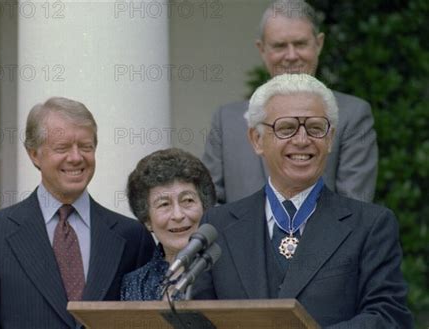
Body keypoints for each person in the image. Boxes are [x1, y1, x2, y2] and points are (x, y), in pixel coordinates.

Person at [192, 74, 413, 328]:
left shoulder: (371, 225)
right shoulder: (218, 226)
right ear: (256, 139)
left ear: (330, 139)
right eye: (286, 128)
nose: (302, 140)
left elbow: (389, 317)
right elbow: (200, 318)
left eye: (315, 128)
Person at [0, 97, 155, 329]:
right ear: (34, 154)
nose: (76, 157)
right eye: (62, 148)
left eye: (85, 147)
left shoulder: (132, 236)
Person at [203, 0, 377, 204]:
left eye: (300, 44)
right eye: (279, 46)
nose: (291, 55)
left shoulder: (353, 115)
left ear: (319, 44)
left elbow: (354, 208)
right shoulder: (227, 120)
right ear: (261, 49)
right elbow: (209, 205)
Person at [120, 148, 216, 301]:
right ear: (147, 220)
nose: (178, 215)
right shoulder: (136, 283)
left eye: (188, 201)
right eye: (164, 204)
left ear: (205, 207)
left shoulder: (228, 273)